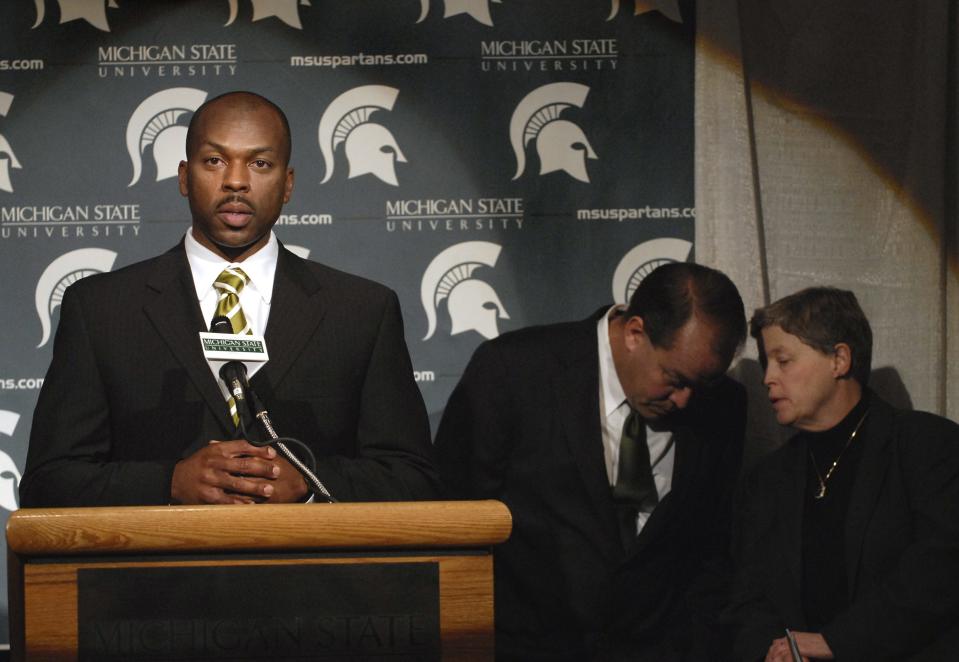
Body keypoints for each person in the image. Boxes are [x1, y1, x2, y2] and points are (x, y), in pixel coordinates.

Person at [20, 91, 439, 507]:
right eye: (215, 160)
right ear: (184, 176)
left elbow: (413, 477)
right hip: (162, 572)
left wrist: (309, 483)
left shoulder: (362, 312)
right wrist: (170, 482)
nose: (236, 180)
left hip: (305, 571)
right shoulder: (101, 310)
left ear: (288, 183)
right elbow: (49, 482)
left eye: (260, 163)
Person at [435, 262, 748, 661]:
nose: (686, 399)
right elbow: (454, 520)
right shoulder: (513, 371)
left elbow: (712, 550)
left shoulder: (722, 406)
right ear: (635, 333)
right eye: (675, 379)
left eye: (703, 384)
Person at [724, 287, 959, 661]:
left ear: (840, 359)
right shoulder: (766, 480)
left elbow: (940, 572)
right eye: (766, 362)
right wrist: (772, 653)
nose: (768, 378)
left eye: (783, 361)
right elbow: (746, 598)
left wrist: (837, 642)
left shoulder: (928, 446)